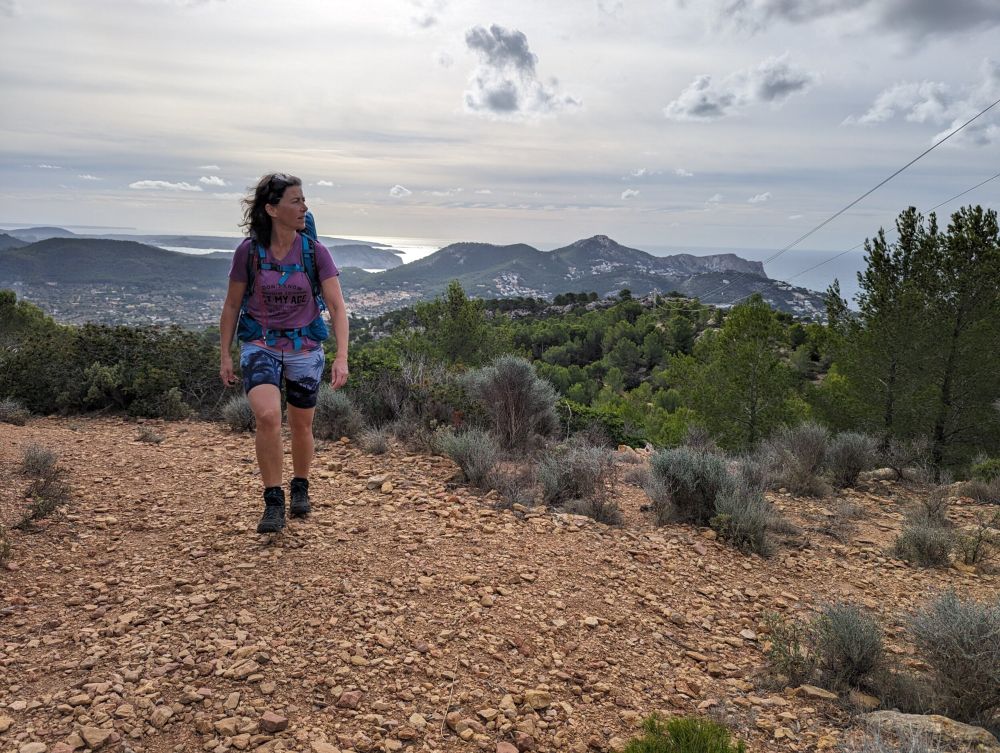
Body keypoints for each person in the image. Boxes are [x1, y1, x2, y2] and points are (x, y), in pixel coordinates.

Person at [219, 173, 349, 533]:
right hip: (260, 342)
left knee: (301, 424)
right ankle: (273, 500)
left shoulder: (314, 252)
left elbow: (337, 307)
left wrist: (341, 356)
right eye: (296, 201)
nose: (304, 207)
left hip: (304, 345)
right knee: (267, 416)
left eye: (304, 200)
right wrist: (226, 355)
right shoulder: (249, 252)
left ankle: (301, 485)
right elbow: (231, 305)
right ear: (272, 209)